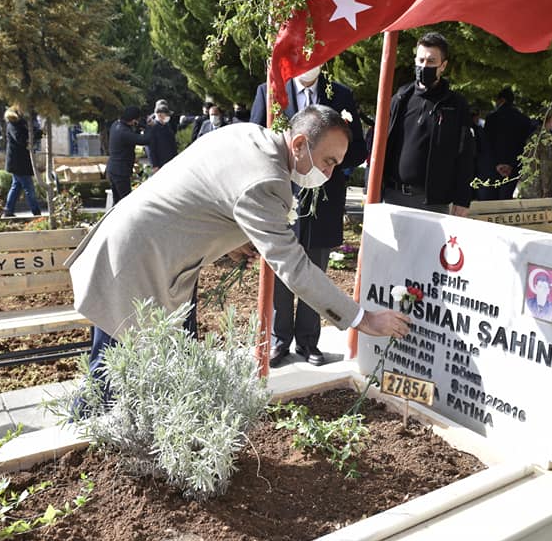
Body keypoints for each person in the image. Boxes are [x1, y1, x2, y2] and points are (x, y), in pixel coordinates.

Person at [67, 105, 410, 408]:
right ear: (300, 144)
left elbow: (206, 192)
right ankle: (77, 442)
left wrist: (229, 239)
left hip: (153, 255)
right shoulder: (268, 181)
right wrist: (363, 319)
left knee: (166, 368)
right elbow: (294, 268)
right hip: (137, 263)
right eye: (328, 161)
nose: (330, 173)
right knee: (111, 373)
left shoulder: (250, 134)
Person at [250, 64, 367, 367]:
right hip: (281, 195)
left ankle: (308, 341)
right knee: (280, 269)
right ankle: (279, 340)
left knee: (315, 268)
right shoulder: (271, 91)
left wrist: (327, 167)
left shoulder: (340, 94)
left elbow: (357, 148)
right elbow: (258, 140)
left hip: (323, 200)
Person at [381, 31, 476, 215]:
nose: (424, 66)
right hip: (393, 196)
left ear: (443, 66)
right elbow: (380, 143)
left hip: (432, 202)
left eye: (431, 61)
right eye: (421, 60)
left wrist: (462, 198)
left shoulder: (455, 105)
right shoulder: (400, 98)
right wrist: (373, 187)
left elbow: (465, 154)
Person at [481, 87, 533, 200]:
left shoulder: (491, 118)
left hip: (494, 167)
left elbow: (487, 144)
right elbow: (524, 145)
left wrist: (497, 164)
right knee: (506, 198)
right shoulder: (523, 120)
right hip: (514, 167)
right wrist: (511, 164)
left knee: (492, 199)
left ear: (501, 100)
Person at [3, 105, 43, 217]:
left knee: (16, 186)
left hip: (20, 162)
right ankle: (36, 212)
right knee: (29, 188)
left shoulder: (20, 123)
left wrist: (37, 133)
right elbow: (21, 139)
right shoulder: (13, 124)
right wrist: (34, 135)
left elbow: (27, 136)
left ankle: (8, 210)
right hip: (18, 162)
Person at [106, 105, 151, 204]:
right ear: (134, 120)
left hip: (113, 169)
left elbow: (133, 133)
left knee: (117, 202)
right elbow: (145, 140)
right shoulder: (124, 132)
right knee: (126, 202)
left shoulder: (116, 125)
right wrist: (149, 127)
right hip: (120, 171)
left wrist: (139, 125)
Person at [145, 99, 178, 171]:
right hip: (160, 163)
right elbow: (150, 148)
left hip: (170, 161)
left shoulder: (167, 126)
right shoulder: (152, 128)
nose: (168, 117)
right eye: (166, 115)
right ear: (159, 115)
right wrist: (154, 165)